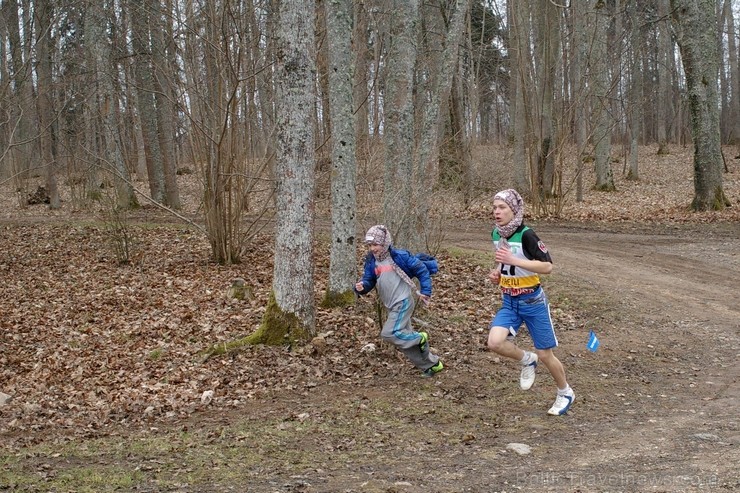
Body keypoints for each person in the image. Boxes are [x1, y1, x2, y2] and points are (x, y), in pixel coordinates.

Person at [487, 189, 575, 415]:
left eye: (502, 207)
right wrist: (498, 273)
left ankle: (565, 392)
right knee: (495, 343)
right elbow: (504, 262)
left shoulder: (527, 235)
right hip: (509, 301)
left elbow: (547, 267)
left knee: (546, 353)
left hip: (532, 301)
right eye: (495, 207)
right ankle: (527, 360)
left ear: (514, 210)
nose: (497, 212)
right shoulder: (497, 234)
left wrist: (513, 260)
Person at [354, 225, 444, 377]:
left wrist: (426, 291)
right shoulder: (372, 261)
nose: (373, 248)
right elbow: (369, 280)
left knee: (389, 333)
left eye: (376, 244)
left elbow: (421, 270)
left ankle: (420, 338)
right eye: (370, 245)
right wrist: (361, 287)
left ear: (385, 243)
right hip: (390, 305)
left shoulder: (399, 256)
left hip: (402, 302)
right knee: (404, 341)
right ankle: (432, 365)